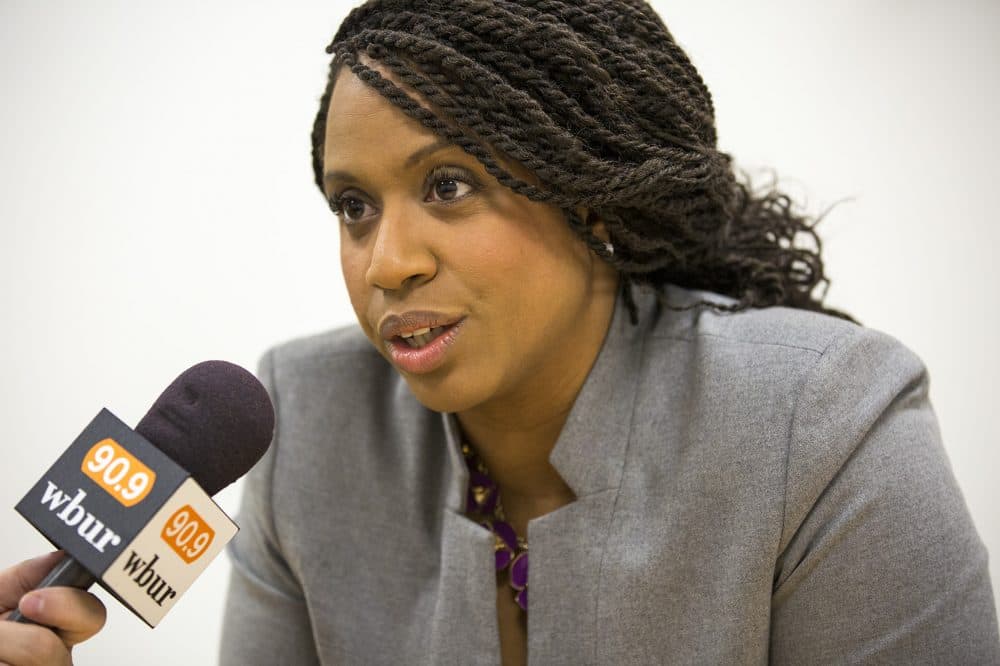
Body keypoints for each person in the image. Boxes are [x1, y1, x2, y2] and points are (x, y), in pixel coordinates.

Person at [2, 1, 997, 664]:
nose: (387, 261)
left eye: (448, 185)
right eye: (354, 207)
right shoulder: (307, 421)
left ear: (593, 196)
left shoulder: (822, 423)